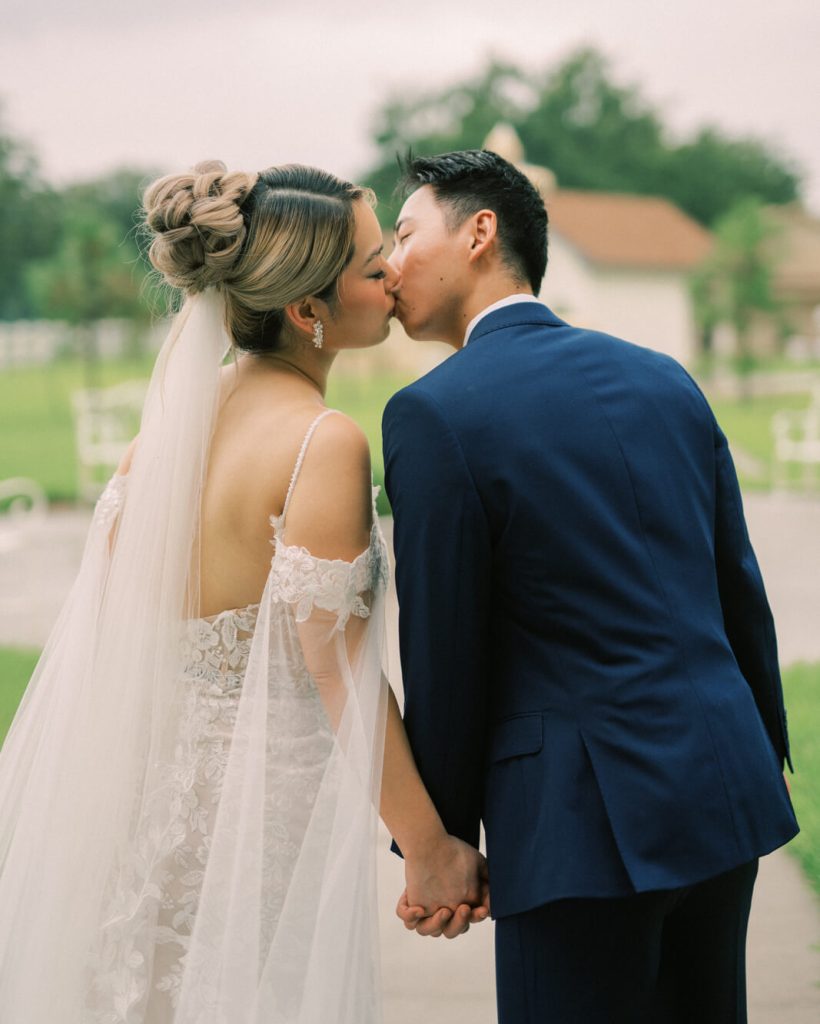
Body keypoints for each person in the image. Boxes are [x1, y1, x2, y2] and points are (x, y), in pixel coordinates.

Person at [0, 161, 487, 1024]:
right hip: (256, 819)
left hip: (141, 806)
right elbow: (335, 668)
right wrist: (429, 847)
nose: (395, 277)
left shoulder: (158, 443)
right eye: (375, 269)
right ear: (308, 312)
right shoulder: (320, 443)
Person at [382, 149, 799, 1023]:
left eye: (405, 231)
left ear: (480, 233)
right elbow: (736, 586)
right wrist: (760, 746)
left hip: (579, 828)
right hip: (722, 793)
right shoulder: (664, 378)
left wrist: (442, 845)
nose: (388, 260)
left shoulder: (435, 412)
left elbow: (443, 652)